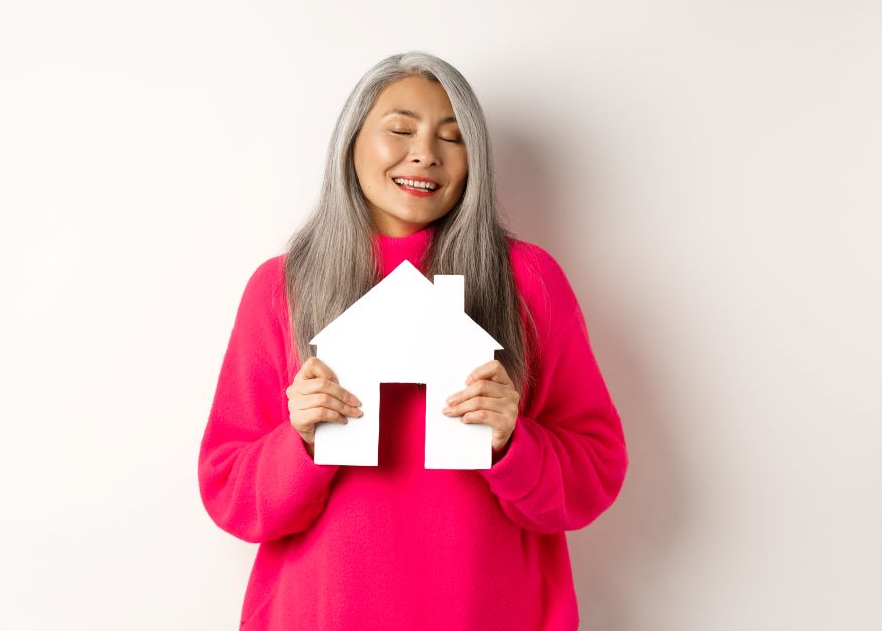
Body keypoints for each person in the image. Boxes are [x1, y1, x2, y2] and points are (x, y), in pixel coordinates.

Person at [197, 51, 629, 630]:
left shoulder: (527, 280)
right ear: (351, 143)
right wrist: (297, 440)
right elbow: (229, 490)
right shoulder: (282, 286)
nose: (425, 152)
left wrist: (512, 442)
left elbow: (595, 471)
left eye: (452, 138)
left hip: (489, 612)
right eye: (400, 129)